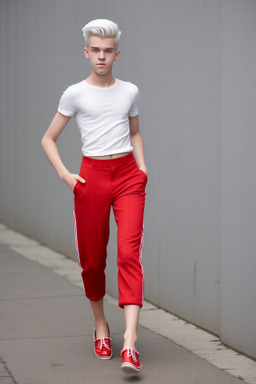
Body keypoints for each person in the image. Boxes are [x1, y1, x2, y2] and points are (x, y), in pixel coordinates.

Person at [41, 19, 147, 374]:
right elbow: (48, 138)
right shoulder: (75, 93)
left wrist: (142, 169)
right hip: (91, 178)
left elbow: (135, 133)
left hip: (128, 177)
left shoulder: (130, 90)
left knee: (129, 254)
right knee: (91, 259)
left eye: (108, 51)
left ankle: (130, 342)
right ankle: (101, 326)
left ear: (117, 53)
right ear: (87, 52)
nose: (102, 57)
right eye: (96, 50)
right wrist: (66, 176)